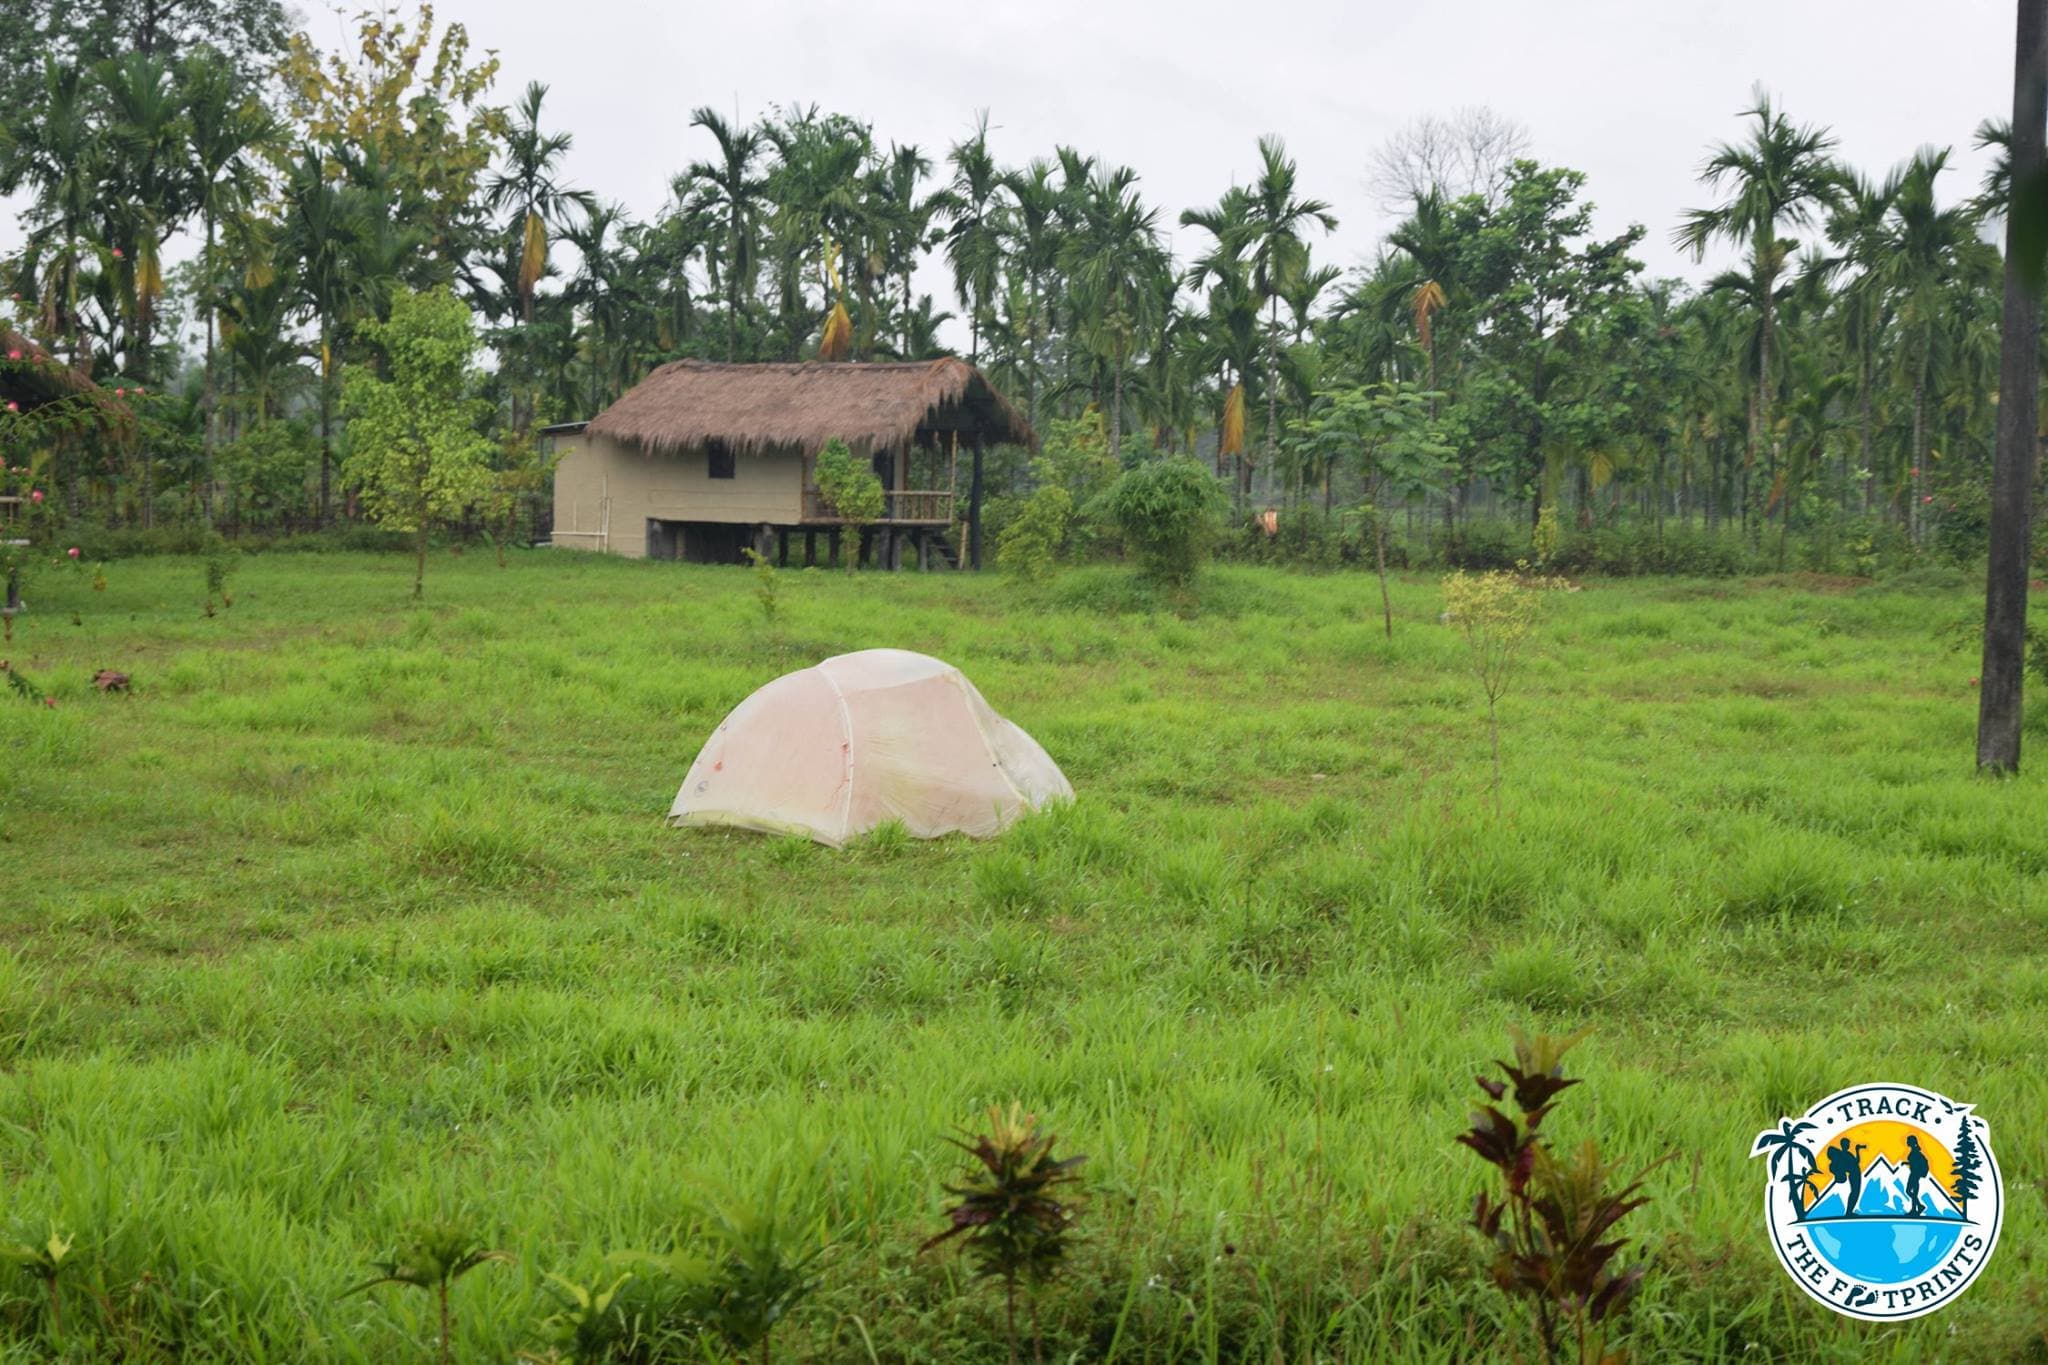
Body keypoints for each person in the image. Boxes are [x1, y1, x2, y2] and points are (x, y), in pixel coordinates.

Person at [1825, 1137, 1863, 1216]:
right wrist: (1857, 1150)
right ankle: (1849, 1212)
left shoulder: (1844, 1154)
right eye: (1847, 1144)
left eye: (1848, 1144)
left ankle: (1849, 1211)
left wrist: (1857, 1150)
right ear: (1844, 1145)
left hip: (1854, 1174)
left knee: (1854, 1193)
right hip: (1854, 1174)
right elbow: (1856, 1162)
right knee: (1855, 1193)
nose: (1849, 1145)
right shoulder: (1845, 1154)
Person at [1904, 1135, 1930, 1217]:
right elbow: (1914, 1162)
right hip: (1915, 1174)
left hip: (1915, 1174)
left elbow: (1915, 1163)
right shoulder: (1914, 1151)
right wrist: (1906, 1163)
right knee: (1912, 1192)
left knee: (1909, 1191)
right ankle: (1917, 1208)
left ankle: (1916, 1208)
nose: (1907, 1142)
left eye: (1908, 1141)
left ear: (1911, 1142)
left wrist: (1909, 1164)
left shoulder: (1915, 1152)